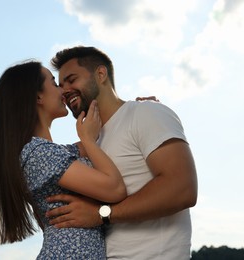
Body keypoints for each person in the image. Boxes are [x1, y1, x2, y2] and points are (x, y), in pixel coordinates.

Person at [46, 46, 198, 259]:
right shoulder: (90, 143)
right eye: (60, 85)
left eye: (72, 79)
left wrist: (102, 214)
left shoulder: (145, 113)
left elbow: (182, 189)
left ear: (101, 74)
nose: (65, 90)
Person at [0, 60, 128, 259]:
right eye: (54, 84)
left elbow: (101, 132)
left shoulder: (53, 153)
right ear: (37, 97)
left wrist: (133, 110)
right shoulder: (39, 153)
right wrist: (88, 139)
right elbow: (115, 189)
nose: (63, 90)